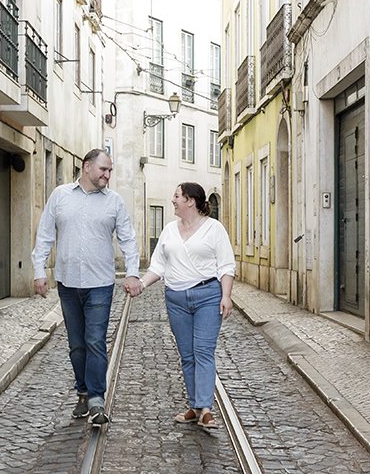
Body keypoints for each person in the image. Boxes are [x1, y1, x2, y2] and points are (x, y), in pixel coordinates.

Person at [32, 149, 141, 426]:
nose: (107, 175)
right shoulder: (60, 196)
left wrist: (132, 273)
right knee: (76, 345)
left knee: (95, 341)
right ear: (87, 167)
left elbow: (128, 239)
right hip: (67, 282)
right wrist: (38, 271)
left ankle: (95, 399)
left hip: (100, 284)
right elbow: (45, 234)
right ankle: (82, 391)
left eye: (110, 170)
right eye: (103, 169)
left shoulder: (114, 202)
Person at [136, 181, 235, 429]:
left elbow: (226, 265)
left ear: (190, 200)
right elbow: (158, 266)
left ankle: (206, 409)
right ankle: (194, 405)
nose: (173, 200)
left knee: (203, 350)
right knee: (187, 355)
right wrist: (141, 284)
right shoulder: (169, 230)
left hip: (207, 296)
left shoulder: (214, 229)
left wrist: (226, 295)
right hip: (176, 299)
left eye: (177, 196)